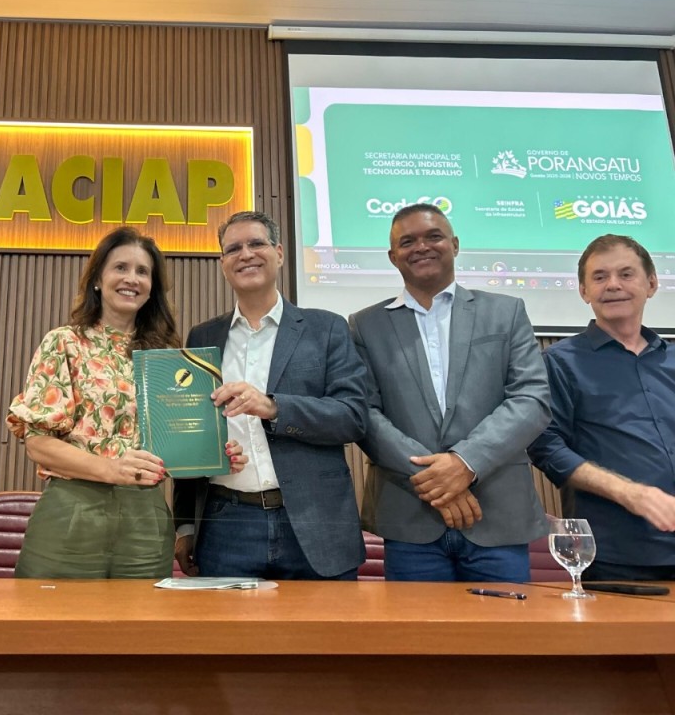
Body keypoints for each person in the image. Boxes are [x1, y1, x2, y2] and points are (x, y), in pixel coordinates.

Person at [7, 226, 245, 579]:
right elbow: (38, 443)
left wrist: (215, 453)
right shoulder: (64, 342)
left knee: (142, 616)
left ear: (152, 287)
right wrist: (112, 469)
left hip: (145, 519)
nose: (131, 278)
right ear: (97, 279)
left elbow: (176, 452)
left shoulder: (167, 357)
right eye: (120, 267)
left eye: (143, 271)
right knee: (51, 615)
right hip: (72, 510)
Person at [349, 203, 550, 582]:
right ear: (393, 257)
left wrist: (465, 463)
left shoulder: (505, 312)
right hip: (410, 519)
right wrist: (437, 481)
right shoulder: (365, 325)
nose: (421, 247)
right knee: (418, 624)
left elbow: (532, 399)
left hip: (498, 515)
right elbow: (365, 414)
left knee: (507, 622)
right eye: (408, 242)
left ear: (455, 244)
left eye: (433, 236)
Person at [172, 211, 369, 580]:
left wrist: (273, 407)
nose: (245, 254)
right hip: (226, 525)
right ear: (223, 264)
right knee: (224, 622)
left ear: (279, 253)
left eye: (256, 244)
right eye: (233, 249)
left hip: (315, 523)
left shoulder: (326, 328)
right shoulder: (203, 337)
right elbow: (190, 433)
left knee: (327, 622)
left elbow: (352, 416)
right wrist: (184, 526)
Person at [529, 235, 675, 580]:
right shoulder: (559, 362)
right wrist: (630, 493)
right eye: (599, 277)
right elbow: (546, 447)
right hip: (615, 555)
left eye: (626, 274)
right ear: (584, 291)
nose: (613, 285)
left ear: (652, 284)